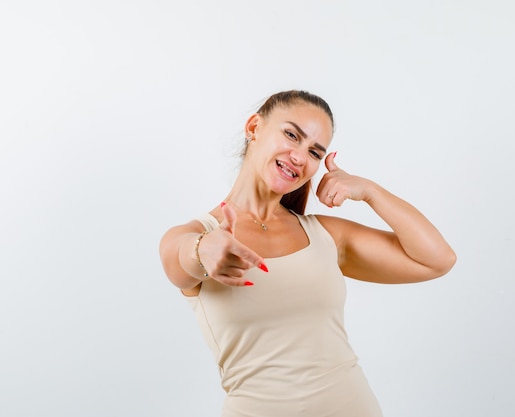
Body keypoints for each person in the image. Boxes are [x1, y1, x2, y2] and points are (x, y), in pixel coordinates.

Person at [159, 90, 456, 416]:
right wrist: (203, 250)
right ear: (254, 127)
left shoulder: (325, 236)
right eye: (291, 135)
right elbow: (179, 259)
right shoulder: (198, 233)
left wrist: (370, 191)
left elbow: (437, 259)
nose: (300, 157)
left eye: (315, 152)